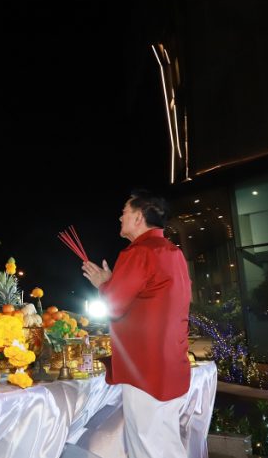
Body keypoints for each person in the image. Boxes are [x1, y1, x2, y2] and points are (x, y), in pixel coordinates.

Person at [82, 189, 191, 458]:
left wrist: (103, 284)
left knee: (147, 448)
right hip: (172, 365)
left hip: (146, 371)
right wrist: (111, 282)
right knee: (167, 445)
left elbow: (114, 305)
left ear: (139, 217)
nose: (120, 217)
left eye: (124, 212)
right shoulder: (172, 252)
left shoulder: (139, 252)